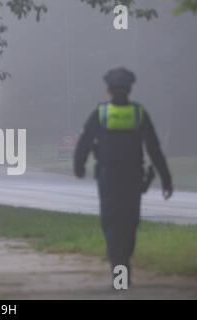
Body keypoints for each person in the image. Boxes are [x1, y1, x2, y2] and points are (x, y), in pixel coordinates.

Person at [73, 67, 173, 287]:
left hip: (109, 180)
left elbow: (84, 143)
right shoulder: (139, 114)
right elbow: (154, 149)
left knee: (112, 227)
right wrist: (166, 178)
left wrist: (78, 166)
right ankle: (122, 270)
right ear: (129, 90)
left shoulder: (101, 113)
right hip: (133, 179)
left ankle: (119, 274)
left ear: (108, 90)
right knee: (129, 226)